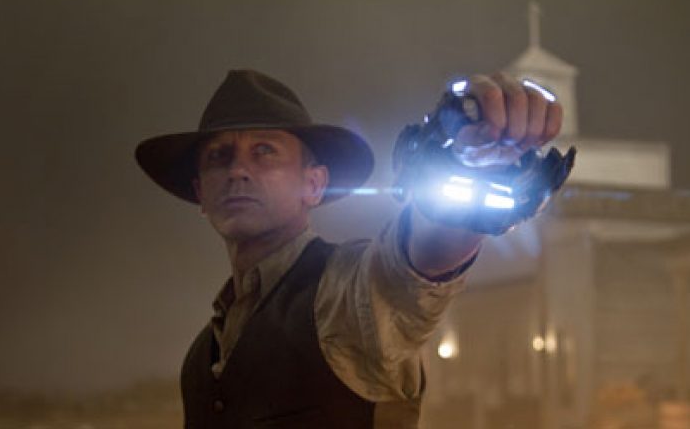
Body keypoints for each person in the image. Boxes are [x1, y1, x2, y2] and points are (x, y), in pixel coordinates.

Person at [135, 69, 562, 428]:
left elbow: (411, 269)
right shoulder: (200, 357)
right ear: (200, 192)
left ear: (314, 183)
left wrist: (475, 167)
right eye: (219, 156)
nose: (238, 170)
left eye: (264, 151)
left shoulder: (341, 296)